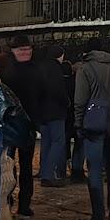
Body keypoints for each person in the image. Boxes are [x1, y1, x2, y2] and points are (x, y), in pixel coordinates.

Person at [74, 47, 110, 220]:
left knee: (95, 168)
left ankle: (98, 215)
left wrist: (78, 123)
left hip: (94, 125)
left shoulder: (85, 69)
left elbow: (80, 100)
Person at [0, 33, 41, 217]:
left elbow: (40, 95)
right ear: (13, 51)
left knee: (26, 166)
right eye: (21, 49)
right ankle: (7, 198)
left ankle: (25, 203)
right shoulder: (5, 70)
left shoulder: (35, 69)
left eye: (28, 49)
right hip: (10, 123)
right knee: (8, 164)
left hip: (28, 123)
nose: (25, 52)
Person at [36, 46, 71, 187]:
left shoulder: (41, 67)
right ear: (60, 55)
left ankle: (43, 171)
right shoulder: (56, 69)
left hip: (43, 112)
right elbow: (58, 90)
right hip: (55, 111)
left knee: (46, 142)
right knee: (58, 142)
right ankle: (48, 174)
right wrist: (66, 102)